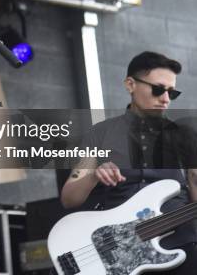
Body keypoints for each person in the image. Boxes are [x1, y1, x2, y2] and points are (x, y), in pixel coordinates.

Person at [60, 51, 197, 274]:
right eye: (158, 89)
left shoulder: (185, 135)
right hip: (119, 253)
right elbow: (69, 198)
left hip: (179, 244)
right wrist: (94, 176)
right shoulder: (101, 133)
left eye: (172, 93)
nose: (165, 99)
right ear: (130, 84)